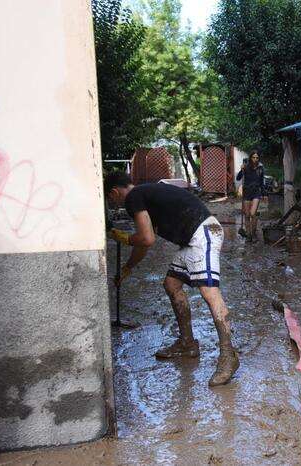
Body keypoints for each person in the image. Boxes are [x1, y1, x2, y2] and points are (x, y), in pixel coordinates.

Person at [105, 172, 239, 386]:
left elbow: (145, 239)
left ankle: (228, 356)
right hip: (198, 235)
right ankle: (187, 343)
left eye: (111, 200)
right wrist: (127, 268)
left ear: (113, 192)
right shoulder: (145, 195)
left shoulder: (133, 198)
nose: (114, 204)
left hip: (202, 233)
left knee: (209, 292)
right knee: (171, 283)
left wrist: (124, 237)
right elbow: (144, 243)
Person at [236, 150, 265, 242]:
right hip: (247, 192)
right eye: (253, 157)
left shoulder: (260, 168)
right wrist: (241, 169)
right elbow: (238, 178)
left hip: (256, 192)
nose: (255, 159)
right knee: (247, 215)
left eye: (257, 157)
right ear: (250, 158)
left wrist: (264, 193)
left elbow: (261, 182)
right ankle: (248, 235)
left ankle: (254, 233)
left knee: (253, 214)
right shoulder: (246, 167)